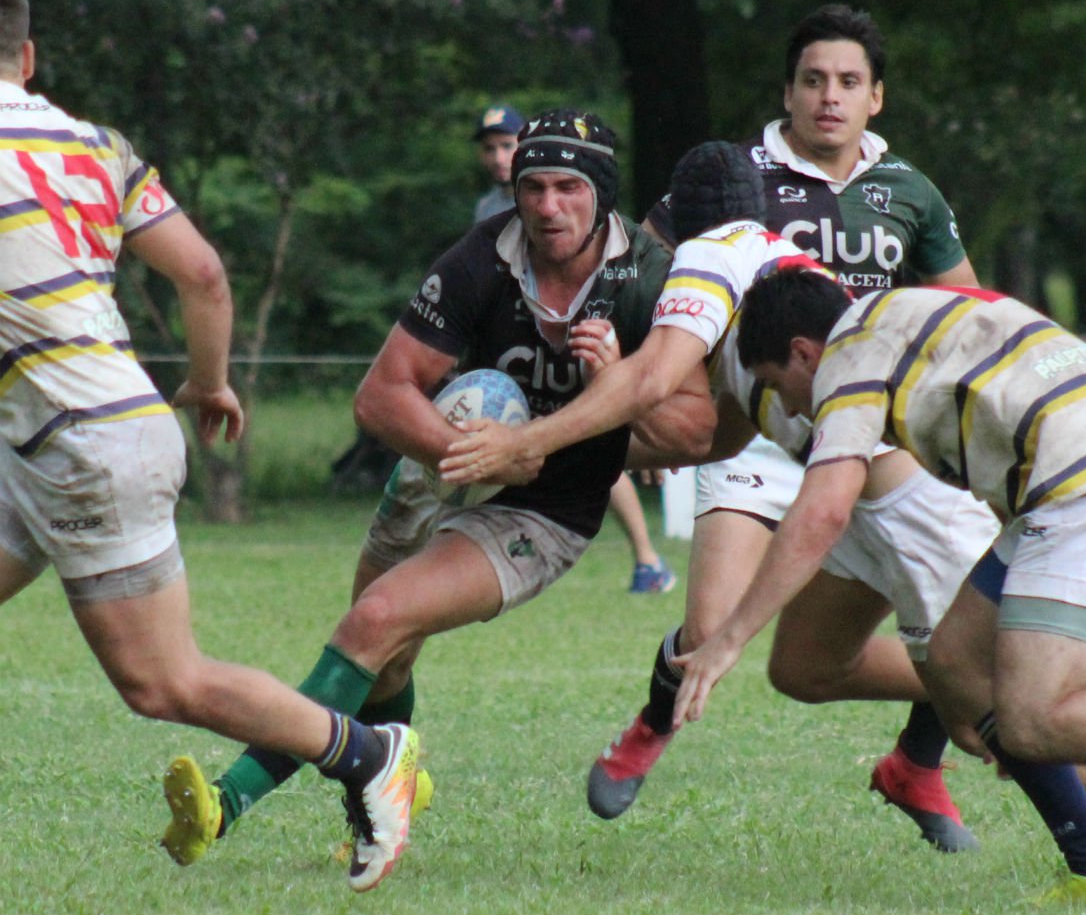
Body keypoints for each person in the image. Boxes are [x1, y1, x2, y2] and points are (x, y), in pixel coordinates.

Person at [446, 4, 982, 850]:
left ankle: (923, 757)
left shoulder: (909, 192)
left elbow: (959, 305)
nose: (828, 99)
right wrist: (629, 371)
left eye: (848, 83)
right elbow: (641, 269)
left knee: (952, 634)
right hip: (753, 421)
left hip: (865, 430)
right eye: (813, 81)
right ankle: (650, 730)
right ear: (789, 91)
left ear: (875, 98)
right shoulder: (731, 178)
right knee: (710, 626)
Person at [161, 109, 715, 866]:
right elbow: (381, 396)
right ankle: (390, 796)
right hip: (444, 472)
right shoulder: (483, 256)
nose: (547, 206)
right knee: (385, 653)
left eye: (567, 188)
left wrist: (617, 382)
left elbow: (694, 433)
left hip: (547, 510)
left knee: (375, 620)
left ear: (602, 194)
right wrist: (469, 452)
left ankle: (226, 804)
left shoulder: (648, 279)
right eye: (533, 187)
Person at [0, 0, 417, 894]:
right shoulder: (95, 144)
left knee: (164, 684)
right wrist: (211, 381)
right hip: (78, 429)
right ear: (27, 58)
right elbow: (204, 275)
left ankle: (365, 753)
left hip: (78, 449)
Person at [675, 269, 1086, 904]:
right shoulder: (895, 314)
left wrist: (727, 640)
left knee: (1033, 721)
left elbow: (822, 514)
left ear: (802, 351)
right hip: (1054, 484)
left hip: (1080, 486)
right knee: (953, 658)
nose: (789, 408)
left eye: (776, 386)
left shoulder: (848, 361)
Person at [475, 103, 677, 592]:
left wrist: (637, 404)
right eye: (490, 149)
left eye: (507, 145)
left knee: (588, 443)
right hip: (525, 359)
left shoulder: (634, 263)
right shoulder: (487, 213)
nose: (499, 157)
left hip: (584, 354)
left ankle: (648, 558)